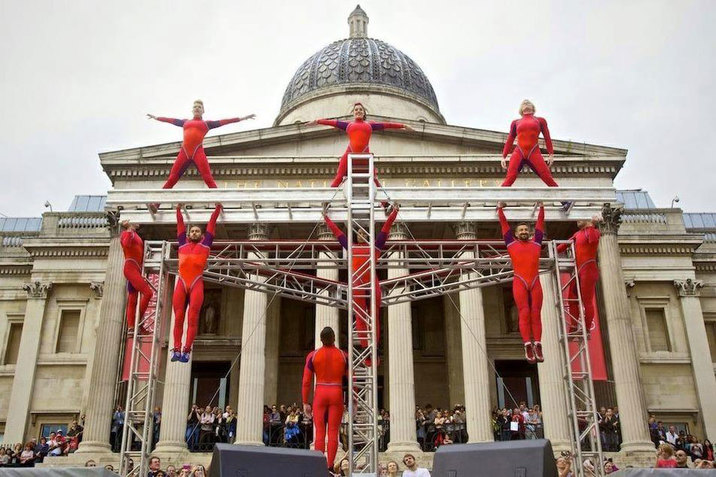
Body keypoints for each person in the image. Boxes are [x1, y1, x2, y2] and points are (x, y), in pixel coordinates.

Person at [146, 101, 255, 212]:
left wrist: (242, 118)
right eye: (195, 107)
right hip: (184, 152)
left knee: (208, 178)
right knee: (172, 178)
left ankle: (218, 202)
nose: (197, 108)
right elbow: (171, 120)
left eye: (199, 107)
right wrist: (157, 118)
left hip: (197, 151)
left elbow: (224, 122)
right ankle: (156, 203)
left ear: (203, 111)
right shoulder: (185, 122)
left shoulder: (206, 124)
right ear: (192, 110)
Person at [322, 204, 399, 353]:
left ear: (368, 235)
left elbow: (386, 229)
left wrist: (394, 213)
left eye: (363, 233)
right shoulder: (351, 247)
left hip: (370, 282)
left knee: (374, 315)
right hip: (358, 283)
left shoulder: (375, 247)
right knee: (360, 316)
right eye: (358, 232)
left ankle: (374, 346)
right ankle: (365, 347)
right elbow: (337, 233)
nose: (360, 234)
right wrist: (326, 218)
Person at [307, 102, 413, 189]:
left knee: (374, 179)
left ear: (364, 113)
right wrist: (317, 121)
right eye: (356, 110)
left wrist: (403, 126)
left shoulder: (370, 125)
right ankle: (327, 202)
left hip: (364, 156)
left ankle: (385, 204)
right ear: (353, 113)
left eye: (360, 110)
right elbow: (332, 123)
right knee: (338, 177)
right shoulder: (348, 125)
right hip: (350, 154)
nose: (358, 111)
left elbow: (387, 125)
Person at [172, 203, 222, 362]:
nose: (194, 233)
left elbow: (211, 226)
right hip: (182, 281)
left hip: (196, 283)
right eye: (192, 231)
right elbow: (179, 226)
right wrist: (178, 210)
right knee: (178, 317)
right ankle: (177, 348)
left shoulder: (205, 244)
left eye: (197, 231)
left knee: (192, 318)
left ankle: (187, 349)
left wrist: (217, 210)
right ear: (188, 233)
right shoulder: (182, 243)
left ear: (201, 234)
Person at [497, 201, 546, 363]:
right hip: (520, 281)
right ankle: (527, 344)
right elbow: (504, 227)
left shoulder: (536, 243)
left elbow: (540, 226)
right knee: (524, 312)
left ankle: (537, 344)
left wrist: (541, 208)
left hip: (535, 281)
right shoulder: (511, 244)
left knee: (536, 312)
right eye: (521, 230)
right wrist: (500, 210)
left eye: (526, 229)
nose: (524, 231)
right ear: (516, 234)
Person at [302, 327, 347, 471]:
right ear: (334, 338)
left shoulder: (313, 355)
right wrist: (354, 399)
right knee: (333, 431)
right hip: (336, 391)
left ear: (320, 339)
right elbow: (353, 379)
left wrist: (305, 402)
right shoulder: (343, 355)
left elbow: (306, 382)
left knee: (320, 431)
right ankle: (330, 466)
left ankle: (318, 465)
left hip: (320, 392)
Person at [557, 217, 601, 336]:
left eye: (579, 217)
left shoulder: (594, 232)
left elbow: (592, 241)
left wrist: (592, 225)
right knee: (571, 298)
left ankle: (586, 327)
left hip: (588, 268)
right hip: (579, 269)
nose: (577, 220)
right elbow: (564, 246)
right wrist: (550, 250)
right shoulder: (577, 233)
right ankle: (573, 325)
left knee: (586, 301)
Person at [501, 100, 559, 188]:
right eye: (524, 103)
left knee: (547, 176)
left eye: (528, 103)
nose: (526, 103)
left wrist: (551, 154)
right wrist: (503, 157)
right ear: (521, 109)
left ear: (533, 108)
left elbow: (547, 138)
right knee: (510, 177)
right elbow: (510, 140)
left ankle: (564, 201)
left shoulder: (540, 120)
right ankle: (500, 200)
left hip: (534, 152)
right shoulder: (515, 123)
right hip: (519, 152)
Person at [120, 220, 154, 334]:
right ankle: (137, 322)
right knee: (148, 293)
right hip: (130, 267)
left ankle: (133, 326)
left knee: (133, 298)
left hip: (136, 269)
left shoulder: (138, 236)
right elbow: (126, 244)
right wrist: (129, 230)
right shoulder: (126, 233)